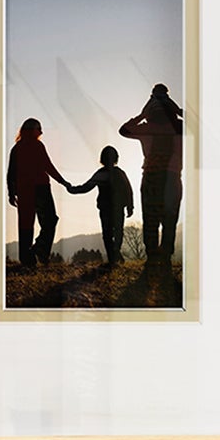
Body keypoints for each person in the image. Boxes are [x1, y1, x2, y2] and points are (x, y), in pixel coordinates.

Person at [119, 85, 185, 302]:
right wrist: (177, 110)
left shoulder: (147, 127)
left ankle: (153, 260)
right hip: (172, 178)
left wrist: (142, 114)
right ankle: (164, 259)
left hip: (151, 178)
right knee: (169, 221)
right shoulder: (180, 127)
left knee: (151, 220)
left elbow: (124, 130)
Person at [4, 117, 82, 276]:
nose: (41, 131)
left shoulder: (16, 148)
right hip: (41, 188)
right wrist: (63, 182)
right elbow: (48, 166)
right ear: (32, 130)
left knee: (25, 225)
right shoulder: (37, 145)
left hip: (24, 191)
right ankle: (40, 249)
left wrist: (11, 192)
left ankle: (27, 260)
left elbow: (11, 173)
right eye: (39, 128)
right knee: (50, 220)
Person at [69, 145, 136, 267]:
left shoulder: (102, 174)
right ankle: (115, 254)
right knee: (117, 232)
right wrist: (130, 206)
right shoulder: (119, 173)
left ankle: (112, 257)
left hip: (106, 208)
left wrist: (72, 189)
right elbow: (128, 190)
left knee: (108, 233)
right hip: (116, 208)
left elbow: (86, 187)